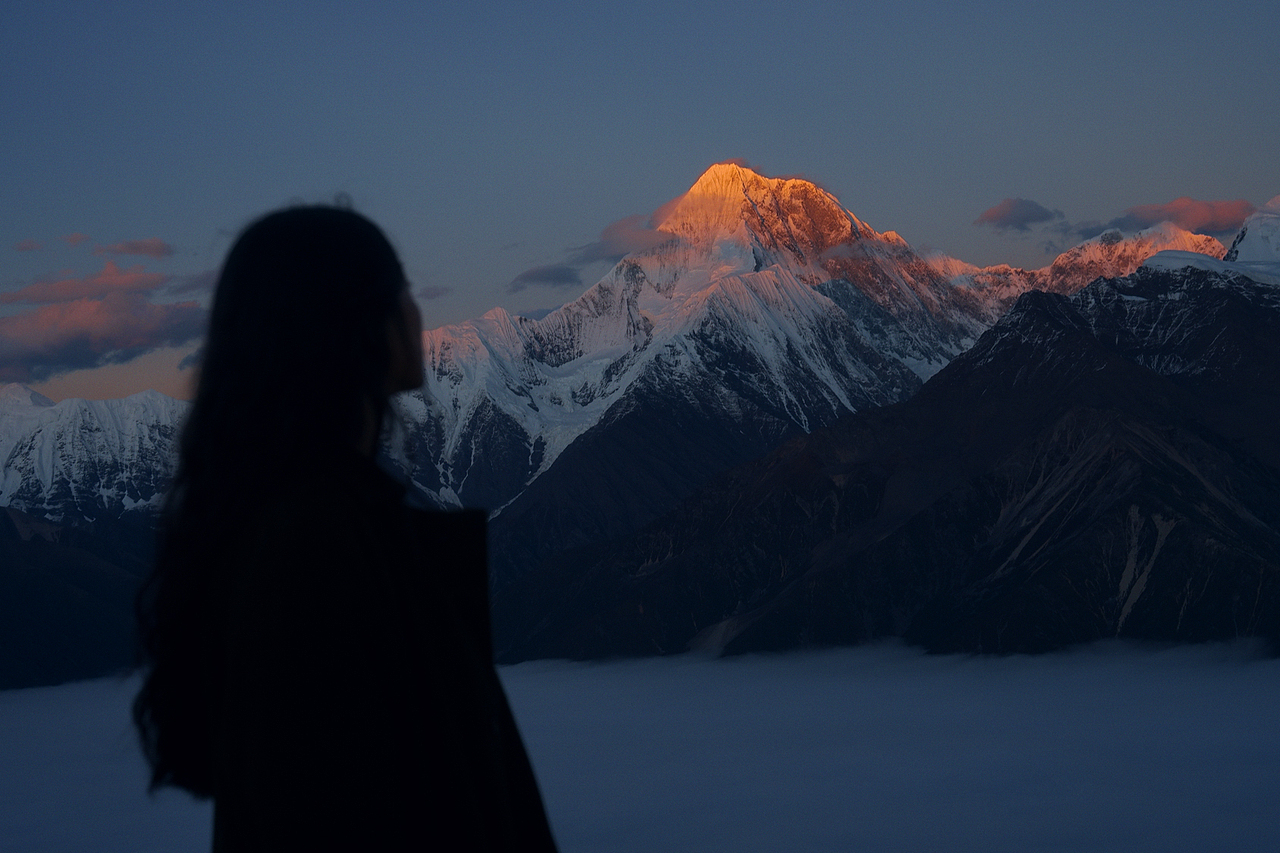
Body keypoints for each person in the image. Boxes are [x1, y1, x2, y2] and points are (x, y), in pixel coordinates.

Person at [133, 205, 559, 851]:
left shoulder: (298, 525)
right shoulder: (313, 552)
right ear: (359, 323)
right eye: (403, 289)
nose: (418, 312)